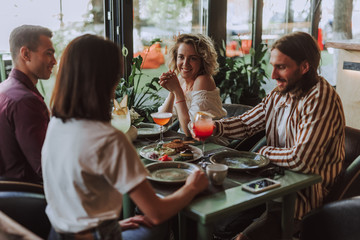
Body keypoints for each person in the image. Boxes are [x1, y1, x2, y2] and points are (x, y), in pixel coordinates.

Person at [42, 34, 209, 240]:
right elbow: (156, 213)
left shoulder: (56, 124)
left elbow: (76, 197)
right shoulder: (109, 139)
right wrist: (192, 187)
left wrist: (113, 224)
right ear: (107, 79)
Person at [199, 32, 345, 240]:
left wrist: (264, 151)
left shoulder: (320, 98)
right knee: (203, 201)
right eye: (273, 65)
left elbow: (301, 160)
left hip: (303, 195)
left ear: (304, 67)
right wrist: (213, 127)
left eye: (281, 67)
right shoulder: (279, 93)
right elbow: (245, 123)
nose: (273, 75)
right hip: (271, 180)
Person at [0, 25, 56, 183]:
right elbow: (46, 168)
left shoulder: (5, 89)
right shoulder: (25, 101)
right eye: (49, 53)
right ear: (25, 54)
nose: (54, 61)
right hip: (31, 194)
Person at [158, 33, 226, 137]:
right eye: (181, 57)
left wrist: (177, 91)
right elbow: (163, 122)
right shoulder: (181, 80)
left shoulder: (203, 80)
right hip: (187, 144)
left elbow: (191, 132)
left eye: (193, 58)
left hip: (208, 146)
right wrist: (172, 91)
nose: (185, 63)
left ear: (203, 60)